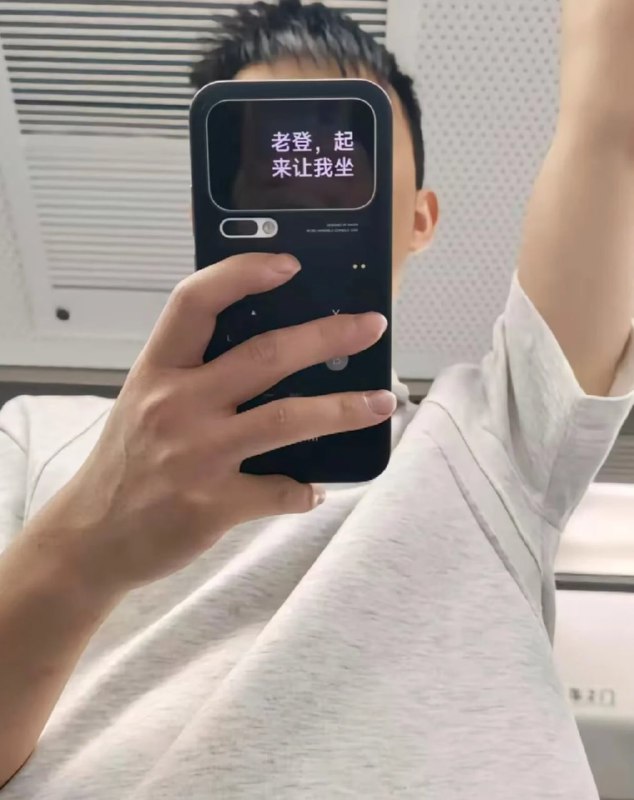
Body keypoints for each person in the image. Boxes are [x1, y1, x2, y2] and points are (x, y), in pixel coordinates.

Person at [0, 1, 633, 797]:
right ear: (206, 204)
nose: (302, 200)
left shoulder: (500, 438)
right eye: (261, 170)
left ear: (418, 218)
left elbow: (615, 114)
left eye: (344, 167)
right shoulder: (36, 439)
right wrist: (85, 544)